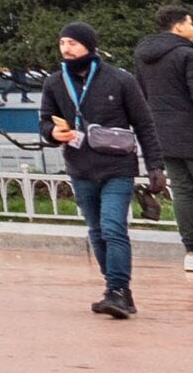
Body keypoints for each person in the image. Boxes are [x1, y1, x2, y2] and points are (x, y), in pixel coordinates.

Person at [45, 22, 150, 315]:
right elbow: (44, 120)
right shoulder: (55, 82)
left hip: (117, 166)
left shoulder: (120, 79)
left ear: (89, 46)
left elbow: (144, 124)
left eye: (73, 43)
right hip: (80, 168)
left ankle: (117, 290)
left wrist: (155, 167)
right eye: (62, 43)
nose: (66, 49)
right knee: (97, 230)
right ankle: (116, 289)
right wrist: (52, 133)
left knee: (113, 227)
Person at [131, 8, 193, 275]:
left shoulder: (143, 55)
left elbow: (141, 93)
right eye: (190, 23)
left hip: (163, 134)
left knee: (182, 191)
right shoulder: (187, 54)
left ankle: (192, 252)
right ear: (178, 27)